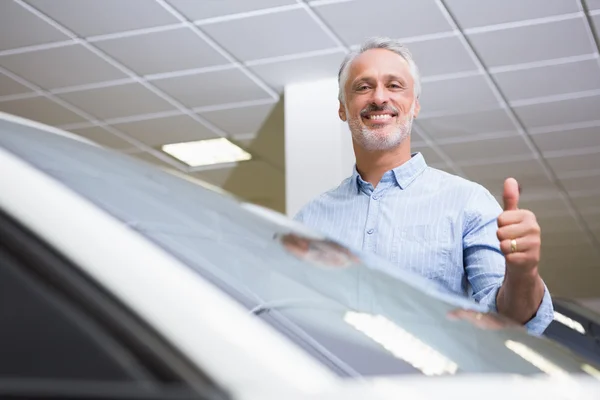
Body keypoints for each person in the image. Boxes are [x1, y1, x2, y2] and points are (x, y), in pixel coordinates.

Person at [293, 37, 553, 335]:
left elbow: (510, 321)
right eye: (363, 87)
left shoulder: (467, 202)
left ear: (414, 105)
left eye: (394, 85)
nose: (379, 97)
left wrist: (523, 273)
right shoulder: (308, 220)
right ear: (342, 108)